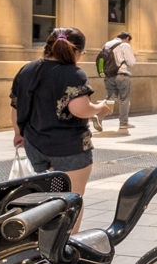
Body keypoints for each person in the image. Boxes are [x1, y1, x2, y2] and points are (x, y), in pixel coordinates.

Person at [10, 27, 112, 232]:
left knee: (48, 195)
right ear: (76, 51)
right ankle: (66, 244)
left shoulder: (27, 70)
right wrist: (100, 109)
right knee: (72, 198)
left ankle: (44, 239)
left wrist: (18, 133)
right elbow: (79, 109)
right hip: (69, 147)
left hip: (35, 144)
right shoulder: (73, 73)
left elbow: (16, 106)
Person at [92, 31, 135, 135]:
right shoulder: (125, 45)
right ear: (127, 38)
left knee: (110, 98)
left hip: (109, 75)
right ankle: (123, 123)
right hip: (122, 74)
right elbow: (131, 62)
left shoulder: (107, 44)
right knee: (124, 99)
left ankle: (99, 117)